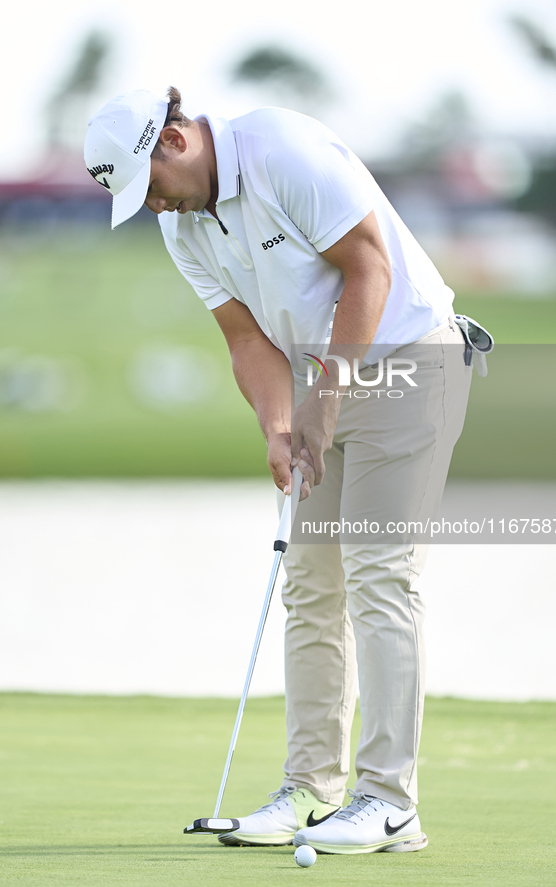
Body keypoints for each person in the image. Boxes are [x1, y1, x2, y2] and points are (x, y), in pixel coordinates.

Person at [84, 87, 476, 855]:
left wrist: (325, 399)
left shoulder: (280, 149)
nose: (155, 207)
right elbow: (244, 340)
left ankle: (389, 802)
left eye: (152, 186)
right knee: (310, 583)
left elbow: (368, 269)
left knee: (379, 573)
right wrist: (278, 423)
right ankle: (309, 788)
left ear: (172, 138)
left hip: (408, 360)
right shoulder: (184, 227)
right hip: (317, 375)